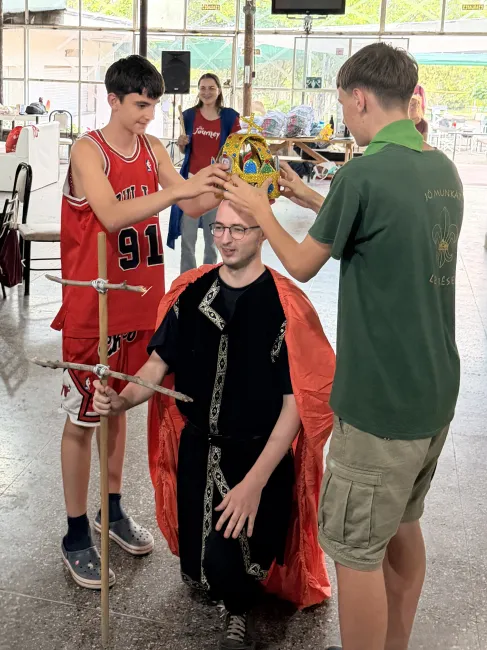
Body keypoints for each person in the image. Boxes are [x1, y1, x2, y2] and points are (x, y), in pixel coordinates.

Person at [222, 43, 463, 650]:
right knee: (403, 525)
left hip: (379, 403)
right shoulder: (440, 169)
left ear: (358, 98)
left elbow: (303, 263)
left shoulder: (362, 174)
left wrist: (258, 208)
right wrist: (306, 197)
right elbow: (381, 227)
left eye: (343, 105)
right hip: (433, 392)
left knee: (357, 553)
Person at [93, 200, 336, 650]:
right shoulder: (192, 294)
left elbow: (295, 406)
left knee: (236, 569)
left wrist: (254, 484)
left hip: (257, 456)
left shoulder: (284, 307)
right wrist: (122, 400)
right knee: (199, 571)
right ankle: (221, 582)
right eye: (219, 228)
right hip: (198, 452)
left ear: (262, 233)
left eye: (239, 230)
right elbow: (158, 364)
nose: (225, 239)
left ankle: (239, 609)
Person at [50, 54, 229, 590]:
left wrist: (228, 182)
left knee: (119, 408)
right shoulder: (88, 150)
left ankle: (110, 509)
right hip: (95, 309)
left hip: (140, 306)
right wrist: (180, 190)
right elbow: (110, 214)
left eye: (153, 106)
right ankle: (75, 533)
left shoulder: (152, 149)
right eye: (140, 105)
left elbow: (191, 202)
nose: (148, 115)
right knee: (84, 418)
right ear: (113, 100)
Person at [167, 73, 240, 273]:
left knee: (213, 238)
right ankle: (187, 280)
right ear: (198, 91)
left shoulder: (229, 117)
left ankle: (209, 277)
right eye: (202, 88)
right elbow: (186, 151)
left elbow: (236, 150)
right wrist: (182, 144)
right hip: (191, 184)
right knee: (188, 238)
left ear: (219, 91)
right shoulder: (189, 116)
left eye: (211, 88)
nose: (206, 92)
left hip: (216, 186)